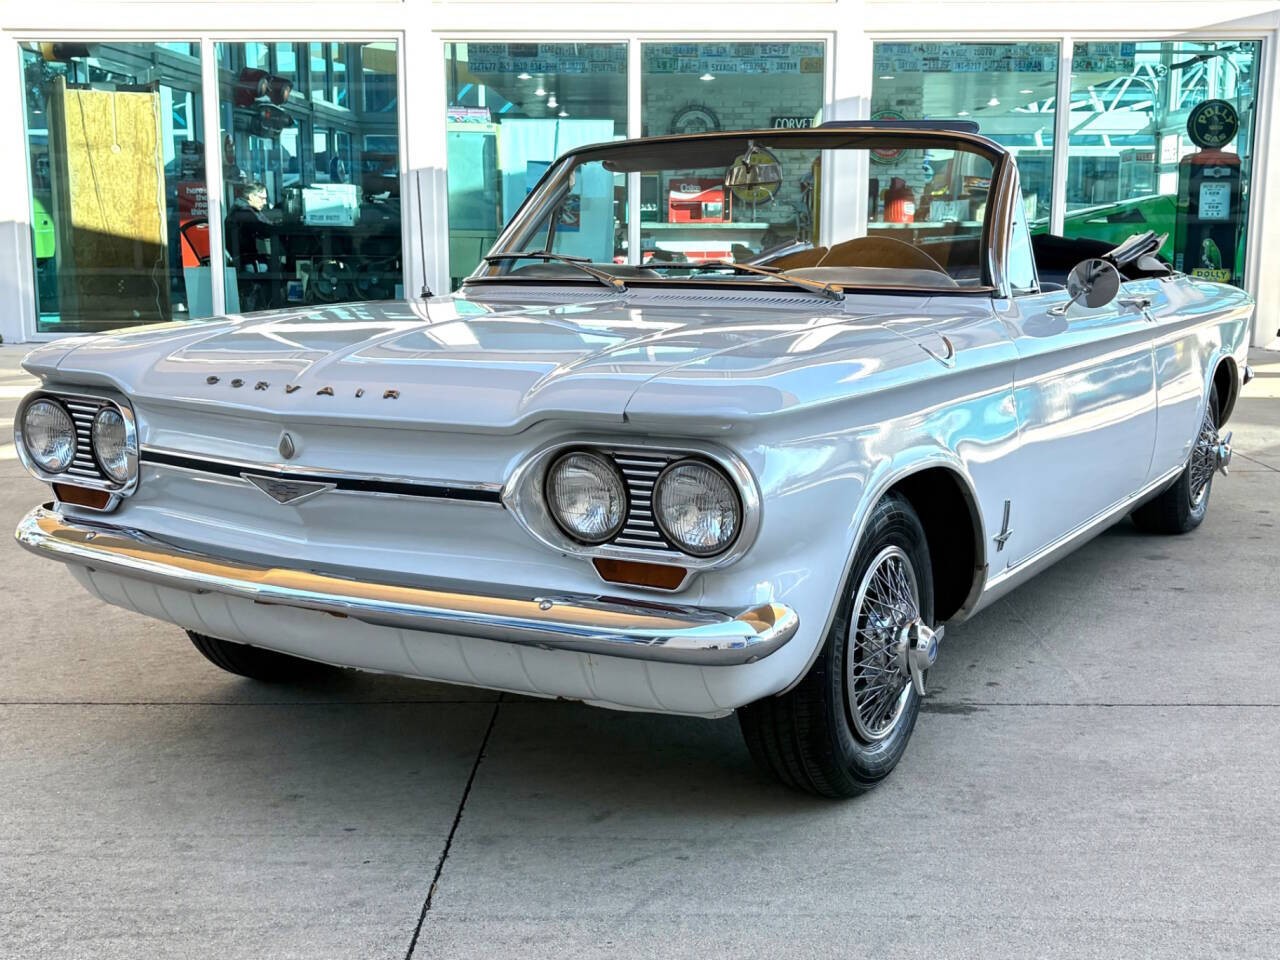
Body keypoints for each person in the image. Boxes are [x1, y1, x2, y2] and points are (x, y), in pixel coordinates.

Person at [225, 181, 282, 311]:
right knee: (276, 268)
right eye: (262, 198)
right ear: (251, 197)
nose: (265, 202)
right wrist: (281, 227)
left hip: (243, 257)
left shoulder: (245, 209)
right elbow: (264, 229)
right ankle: (270, 306)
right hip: (246, 260)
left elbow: (264, 224)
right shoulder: (244, 212)